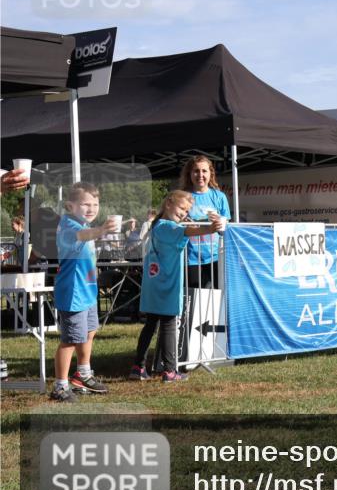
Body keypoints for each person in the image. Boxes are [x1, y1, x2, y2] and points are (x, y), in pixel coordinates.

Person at [132, 191, 223, 382]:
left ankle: (138, 367)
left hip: (156, 285)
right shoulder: (167, 226)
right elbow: (186, 231)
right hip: (166, 285)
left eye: (187, 210)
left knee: (151, 325)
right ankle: (169, 371)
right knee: (168, 325)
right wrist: (211, 229)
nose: (184, 213)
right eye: (181, 208)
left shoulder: (159, 224)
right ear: (168, 204)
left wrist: (204, 220)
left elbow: (187, 226)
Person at [50, 182, 117, 402]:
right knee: (70, 339)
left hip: (86, 292)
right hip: (73, 292)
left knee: (88, 332)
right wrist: (101, 230)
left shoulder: (81, 224)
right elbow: (81, 237)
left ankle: (83, 374)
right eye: (85, 204)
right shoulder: (68, 225)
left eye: (95, 204)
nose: (91, 208)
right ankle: (60, 386)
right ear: (70, 206)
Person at [179, 156, 231, 288]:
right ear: (189, 174)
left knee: (216, 299)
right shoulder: (182, 197)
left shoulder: (219, 197)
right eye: (196, 171)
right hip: (190, 259)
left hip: (215, 257)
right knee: (194, 302)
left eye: (204, 171)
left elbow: (227, 229)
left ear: (210, 173)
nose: (200, 175)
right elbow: (175, 225)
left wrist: (221, 223)